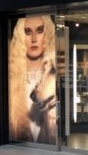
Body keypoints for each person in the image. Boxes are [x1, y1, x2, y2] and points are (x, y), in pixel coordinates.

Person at [8, 15, 58, 144]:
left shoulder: (54, 77)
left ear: (47, 34)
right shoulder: (11, 82)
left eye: (40, 31)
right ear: (21, 37)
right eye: (28, 32)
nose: (34, 39)